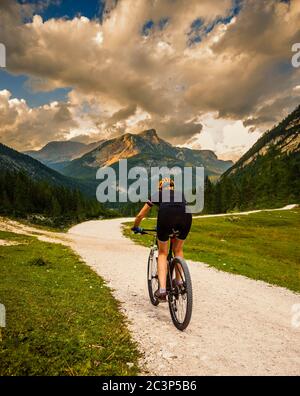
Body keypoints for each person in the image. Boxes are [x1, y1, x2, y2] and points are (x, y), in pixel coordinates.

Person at [131, 177, 192, 302]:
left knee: (163, 253)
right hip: (186, 217)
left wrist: (136, 227)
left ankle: (163, 290)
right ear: (172, 187)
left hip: (166, 217)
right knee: (178, 249)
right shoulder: (180, 194)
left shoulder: (157, 194)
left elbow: (140, 215)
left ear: (160, 188)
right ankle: (179, 282)